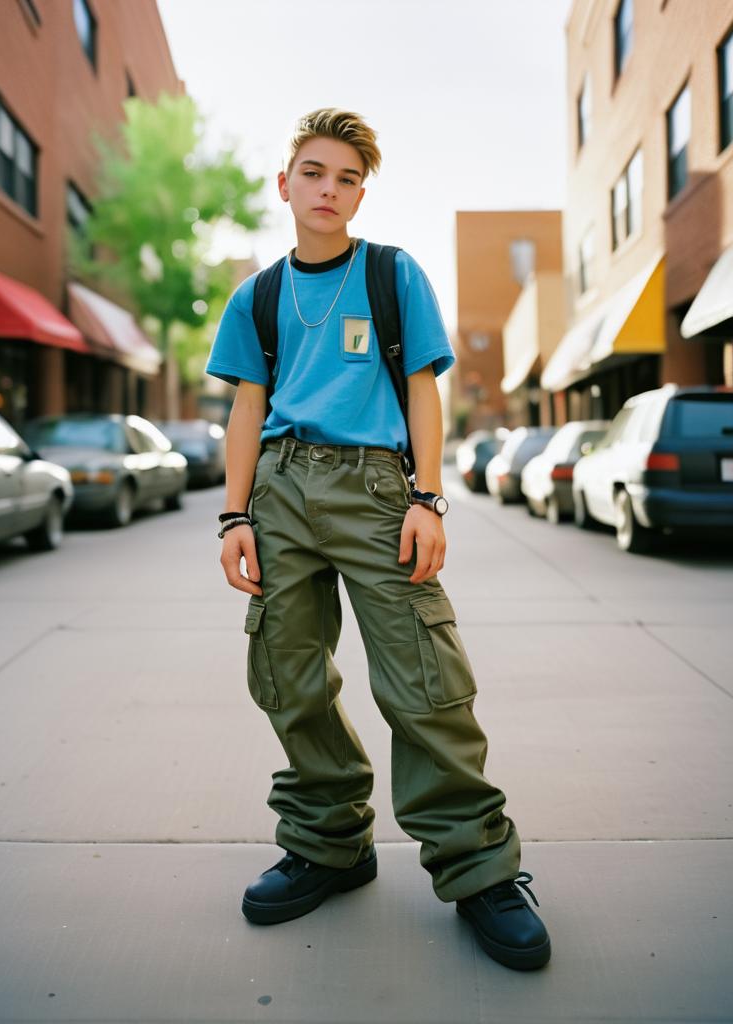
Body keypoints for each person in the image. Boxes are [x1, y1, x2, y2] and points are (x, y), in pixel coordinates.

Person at [205, 108, 550, 971]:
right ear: (284, 185)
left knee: (423, 679)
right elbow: (246, 406)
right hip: (280, 492)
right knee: (286, 673)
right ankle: (329, 842)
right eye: (314, 173)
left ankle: (478, 867)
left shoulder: (393, 276)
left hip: (376, 490)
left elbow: (425, 391)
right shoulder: (257, 296)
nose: (329, 190)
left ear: (362, 192)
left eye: (347, 178)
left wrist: (428, 497)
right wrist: (234, 515)